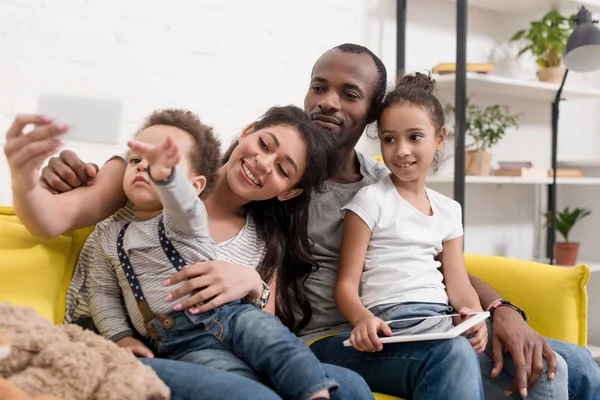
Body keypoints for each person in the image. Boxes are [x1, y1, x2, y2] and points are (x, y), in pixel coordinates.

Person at [16, 43, 600, 399]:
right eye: (319, 87)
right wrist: (86, 170)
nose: (329, 102)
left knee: (573, 362)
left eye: (350, 95)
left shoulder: (382, 185)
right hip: (322, 339)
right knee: (450, 360)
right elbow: (165, 179)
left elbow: (441, 261)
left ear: (373, 115)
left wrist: (501, 311)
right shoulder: (252, 176)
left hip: (407, 324)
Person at [4, 107, 374, 400]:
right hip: (159, 347)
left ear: (288, 192)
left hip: (231, 340)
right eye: (264, 144)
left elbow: (265, 327)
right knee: (249, 392)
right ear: (247, 132)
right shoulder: (147, 173)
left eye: (282, 169)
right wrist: (24, 178)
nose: (263, 163)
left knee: (351, 387)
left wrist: (252, 282)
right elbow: (53, 222)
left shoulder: (263, 238)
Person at [333, 72, 568, 400]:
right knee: (455, 354)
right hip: (393, 321)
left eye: (415, 137)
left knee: (546, 365)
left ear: (439, 138)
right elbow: (346, 284)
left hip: (442, 319)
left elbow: (457, 282)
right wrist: (363, 320)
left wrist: (473, 315)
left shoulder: (448, 210)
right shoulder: (370, 201)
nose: (401, 151)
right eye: (389, 139)